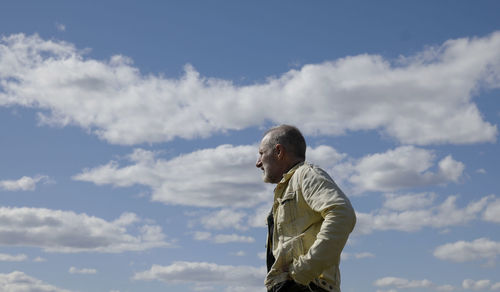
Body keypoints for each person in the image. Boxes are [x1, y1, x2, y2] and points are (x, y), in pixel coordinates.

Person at [256, 125, 356, 292]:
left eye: (261, 154)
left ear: (279, 151)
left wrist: (304, 270)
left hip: (307, 286)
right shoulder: (287, 188)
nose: (258, 162)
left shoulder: (306, 175)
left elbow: (342, 213)